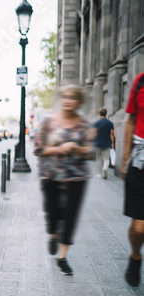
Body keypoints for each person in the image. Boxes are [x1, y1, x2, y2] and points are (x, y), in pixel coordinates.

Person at [33, 85, 93, 275]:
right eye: (65, 97)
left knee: (71, 215)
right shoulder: (48, 123)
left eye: (73, 97)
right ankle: (53, 233)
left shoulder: (84, 126)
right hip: (50, 174)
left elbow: (90, 152)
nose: (68, 100)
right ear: (61, 99)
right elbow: (38, 149)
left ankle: (63, 257)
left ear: (79, 102)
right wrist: (60, 148)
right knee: (52, 213)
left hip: (77, 176)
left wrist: (78, 148)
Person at [121, 72, 144, 287]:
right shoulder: (140, 81)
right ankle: (136, 255)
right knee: (139, 227)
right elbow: (130, 120)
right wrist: (125, 157)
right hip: (140, 162)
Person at [93, 107, 115, 179]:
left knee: (98, 158)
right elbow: (111, 134)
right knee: (106, 159)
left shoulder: (96, 123)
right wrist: (112, 143)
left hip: (98, 143)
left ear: (99, 114)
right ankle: (105, 168)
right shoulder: (110, 123)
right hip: (107, 143)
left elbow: (94, 133)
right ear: (106, 113)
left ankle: (99, 174)